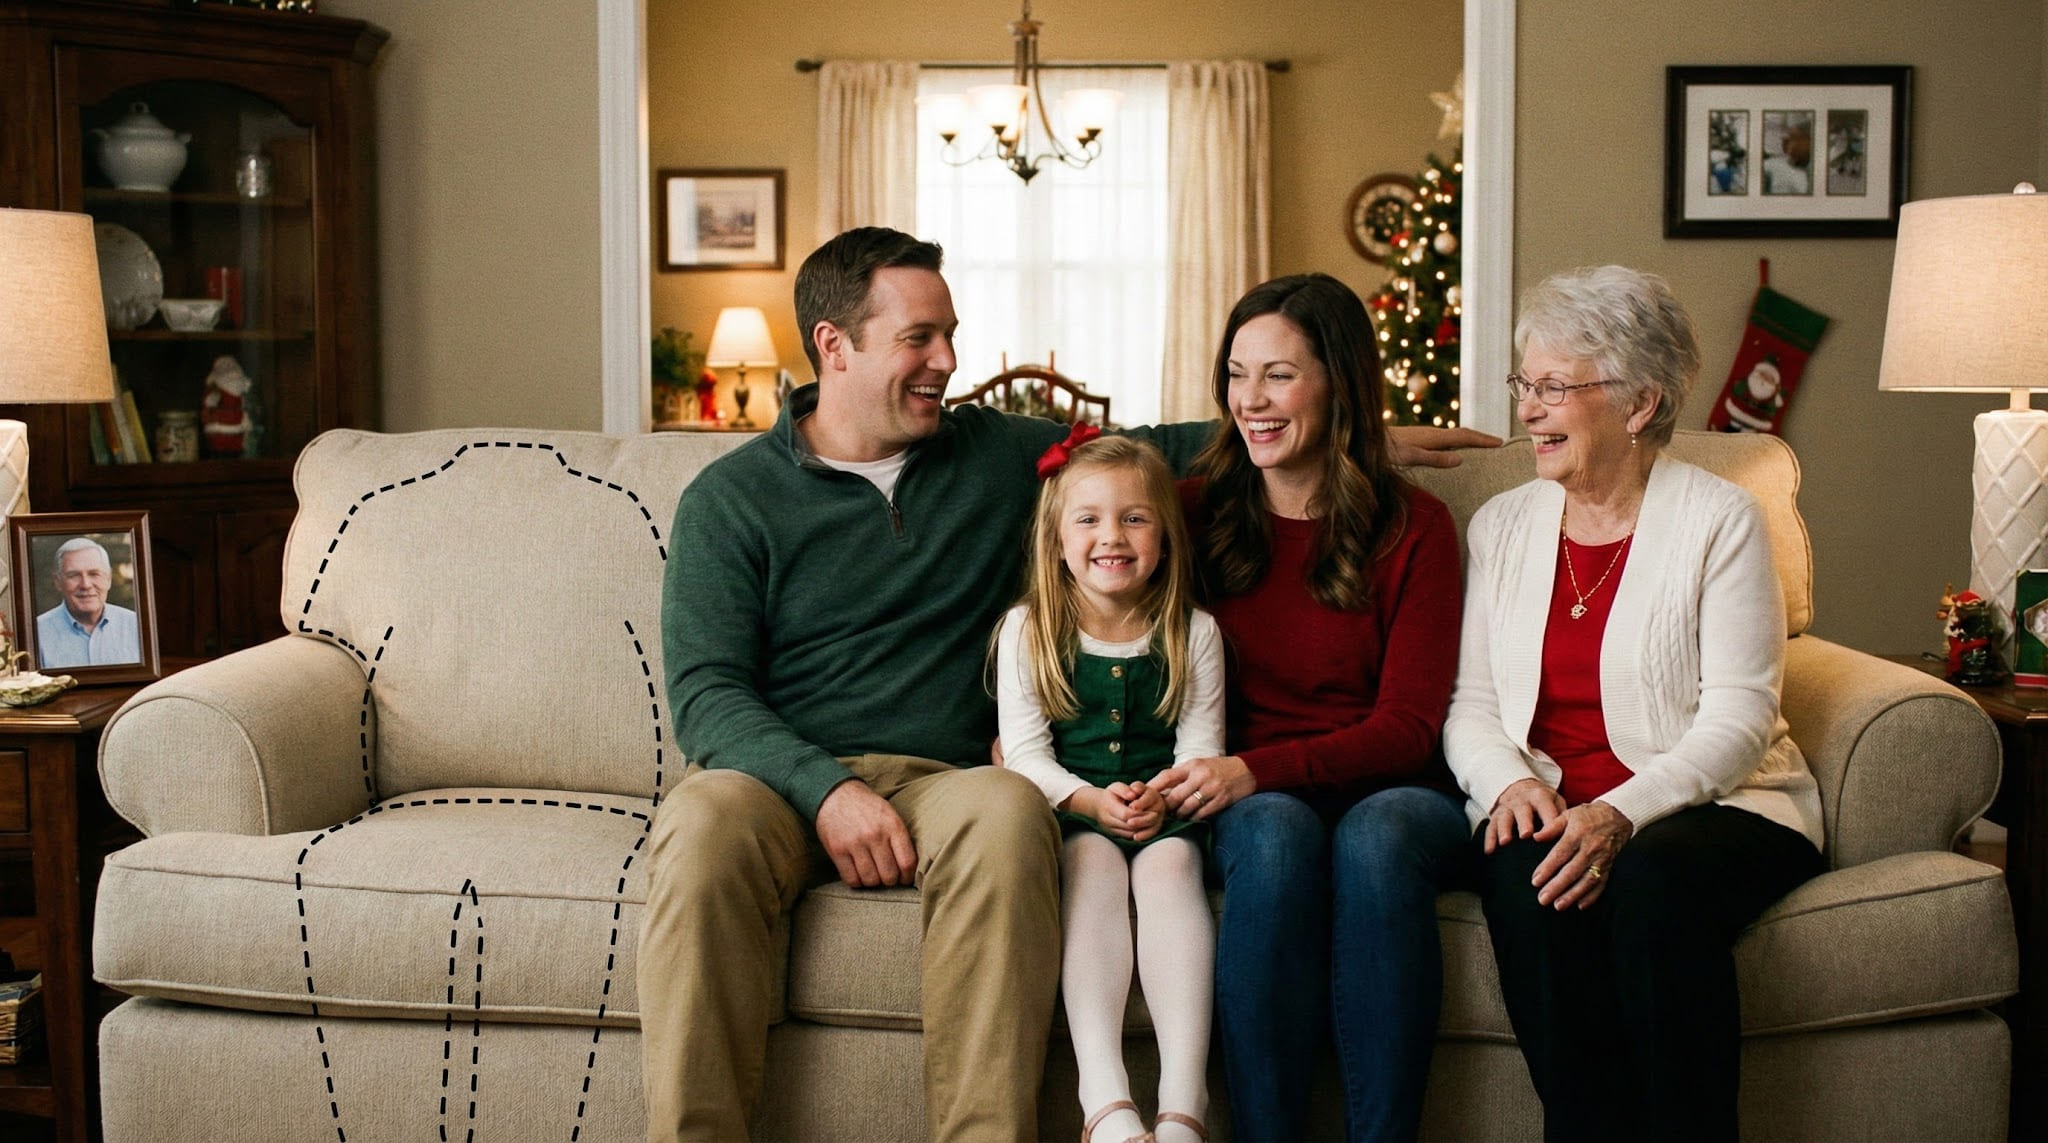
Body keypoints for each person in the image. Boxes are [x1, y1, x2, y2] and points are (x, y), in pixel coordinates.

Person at [640, 225, 1499, 1143]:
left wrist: (1348, 432)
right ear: (833, 346)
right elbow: (708, 695)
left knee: (1013, 816)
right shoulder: (731, 499)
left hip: (950, 775)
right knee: (696, 830)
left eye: (951, 333)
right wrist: (829, 790)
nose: (947, 362)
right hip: (781, 776)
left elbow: (1145, 447)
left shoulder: (993, 453)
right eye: (919, 339)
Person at [1443, 265, 1825, 1142]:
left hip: (1719, 803)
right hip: (1552, 798)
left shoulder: (1720, 519)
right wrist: (1507, 784)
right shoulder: (1501, 525)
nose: (1529, 410)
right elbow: (1471, 702)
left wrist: (1619, 812)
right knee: (1522, 868)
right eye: (1524, 386)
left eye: (1552, 388)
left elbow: (1738, 715)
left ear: (1641, 403)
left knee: (1651, 887)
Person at [1145, 274, 1467, 1143]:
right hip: (1252, 802)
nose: (1251, 400)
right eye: (1237, 374)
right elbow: (1081, 495)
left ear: (1340, 382)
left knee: (1378, 834)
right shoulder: (1190, 511)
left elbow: (1408, 728)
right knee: (1279, 835)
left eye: (1279, 375)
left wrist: (1255, 767)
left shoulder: (1417, 526)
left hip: (1393, 785)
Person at [994, 431, 1224, 1143]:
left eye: (1134, 517)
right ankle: (1106, 1099)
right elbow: (1025, 758)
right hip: (1074, 812)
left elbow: (1201, 751)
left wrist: (1161, 795)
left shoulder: (1195, 631)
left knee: (1174, 867)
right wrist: (1093, 802)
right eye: (1088, 518)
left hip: (1167, 812)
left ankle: (1184, 1102)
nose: (1111, 536)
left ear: (1164, 533)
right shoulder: (1028, 630)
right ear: (1056, 537)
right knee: (1090, 864)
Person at [35, 536, 141, 668]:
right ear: (58, 582)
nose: (85, 585)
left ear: (108, 579)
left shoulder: (137, 626)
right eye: (74, 575)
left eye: (94, 574)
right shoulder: (36, 633)